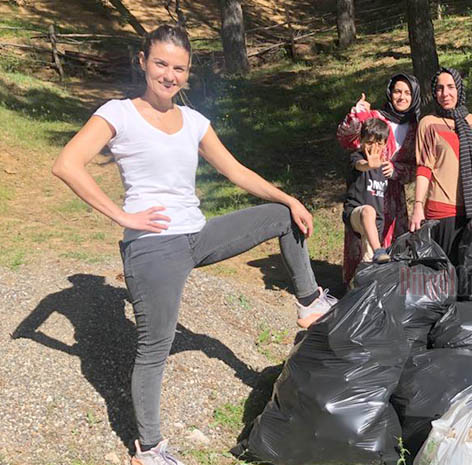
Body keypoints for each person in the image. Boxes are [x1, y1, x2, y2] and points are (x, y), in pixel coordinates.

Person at [51, 25, 337, 465]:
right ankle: (149, 450)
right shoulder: (118, 113)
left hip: (197, 235)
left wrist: (289, 198)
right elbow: (67, 164)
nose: (169, 75)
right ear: (143, 61)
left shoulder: (194, 120)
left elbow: (235, 171)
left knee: (282, 216)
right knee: (155, 349)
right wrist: (123, 217)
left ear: (188, 72)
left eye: (179, 68)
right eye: (161, 63)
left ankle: (309, 302)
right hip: (153, 248)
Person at [336, 73, 420, 283]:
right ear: (390, 93)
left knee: (394, 245)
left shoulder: (416, 128)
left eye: (407, 93)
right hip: (366, 189)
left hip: (394, 197)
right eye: (397, 91)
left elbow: (416, 167)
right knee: (363, 241)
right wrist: (357, 114)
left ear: (414, 97)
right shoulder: (374, 117)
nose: (402, 97)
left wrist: (396, 170)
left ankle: (388, 287)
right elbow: (346, 139)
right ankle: (357, 289)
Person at [410, 67, 472, 265]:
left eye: (451, 87)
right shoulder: (428, 123)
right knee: (446, 272)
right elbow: (424, 168)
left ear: (459, 90)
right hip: (442, 211)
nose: (445, 93)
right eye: (440, 88)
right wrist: (417, 206)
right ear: (434, 93)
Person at [342, 118, 391, 265]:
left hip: (375, 224)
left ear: (385, 144)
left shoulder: (384, 168)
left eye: (379, 144)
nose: (373, 148)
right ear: (361, 141)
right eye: (369, 143)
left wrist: (391, 168)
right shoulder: (356, 157)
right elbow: (360, 165)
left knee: (371, 264)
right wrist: (368, 165)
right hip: (356, 213)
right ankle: (378, 250)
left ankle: (365, 274)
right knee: (368, 211)